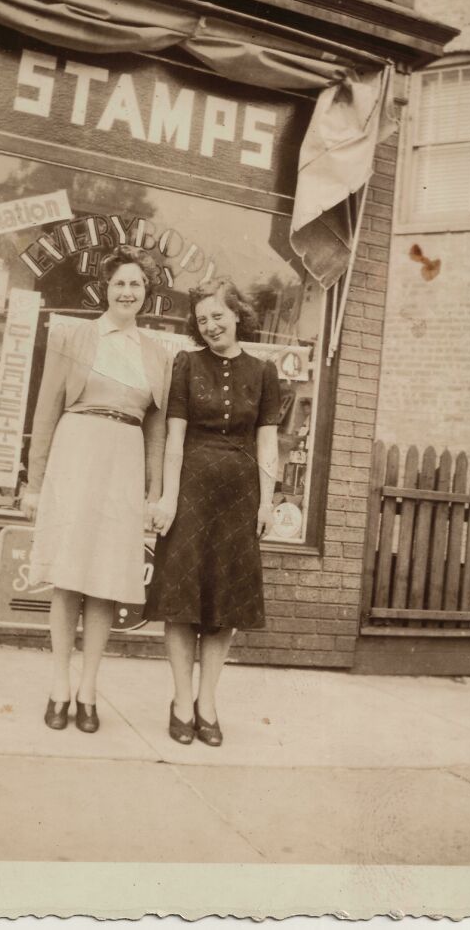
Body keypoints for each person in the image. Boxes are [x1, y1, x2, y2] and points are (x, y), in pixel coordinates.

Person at [22, 246, 169, 734]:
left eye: (137, 285)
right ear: (106, 289)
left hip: (123, 461)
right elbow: (46, 411)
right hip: (76, 452)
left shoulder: (157, 353)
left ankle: (88, 687)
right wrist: (35, 483)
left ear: (146, 295)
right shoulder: (73, 337)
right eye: (120, 283)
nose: (128, 292)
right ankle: (58, 683)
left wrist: (154, 492)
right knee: (69, 572)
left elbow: (157, 431)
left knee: (106, 577)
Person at [144, 278, 280, 747]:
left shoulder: (264, 373)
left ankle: (207, 703)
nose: (210, 326)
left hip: (239, 498)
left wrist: (266, 500)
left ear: (237, 314)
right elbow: (175, 438)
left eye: (218, 316)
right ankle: (182, 702)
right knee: (181, 604)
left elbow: (267, 442)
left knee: (224, 607)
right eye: (202, 320)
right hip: (192, 495)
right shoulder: (187, 364)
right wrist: (166, 497)